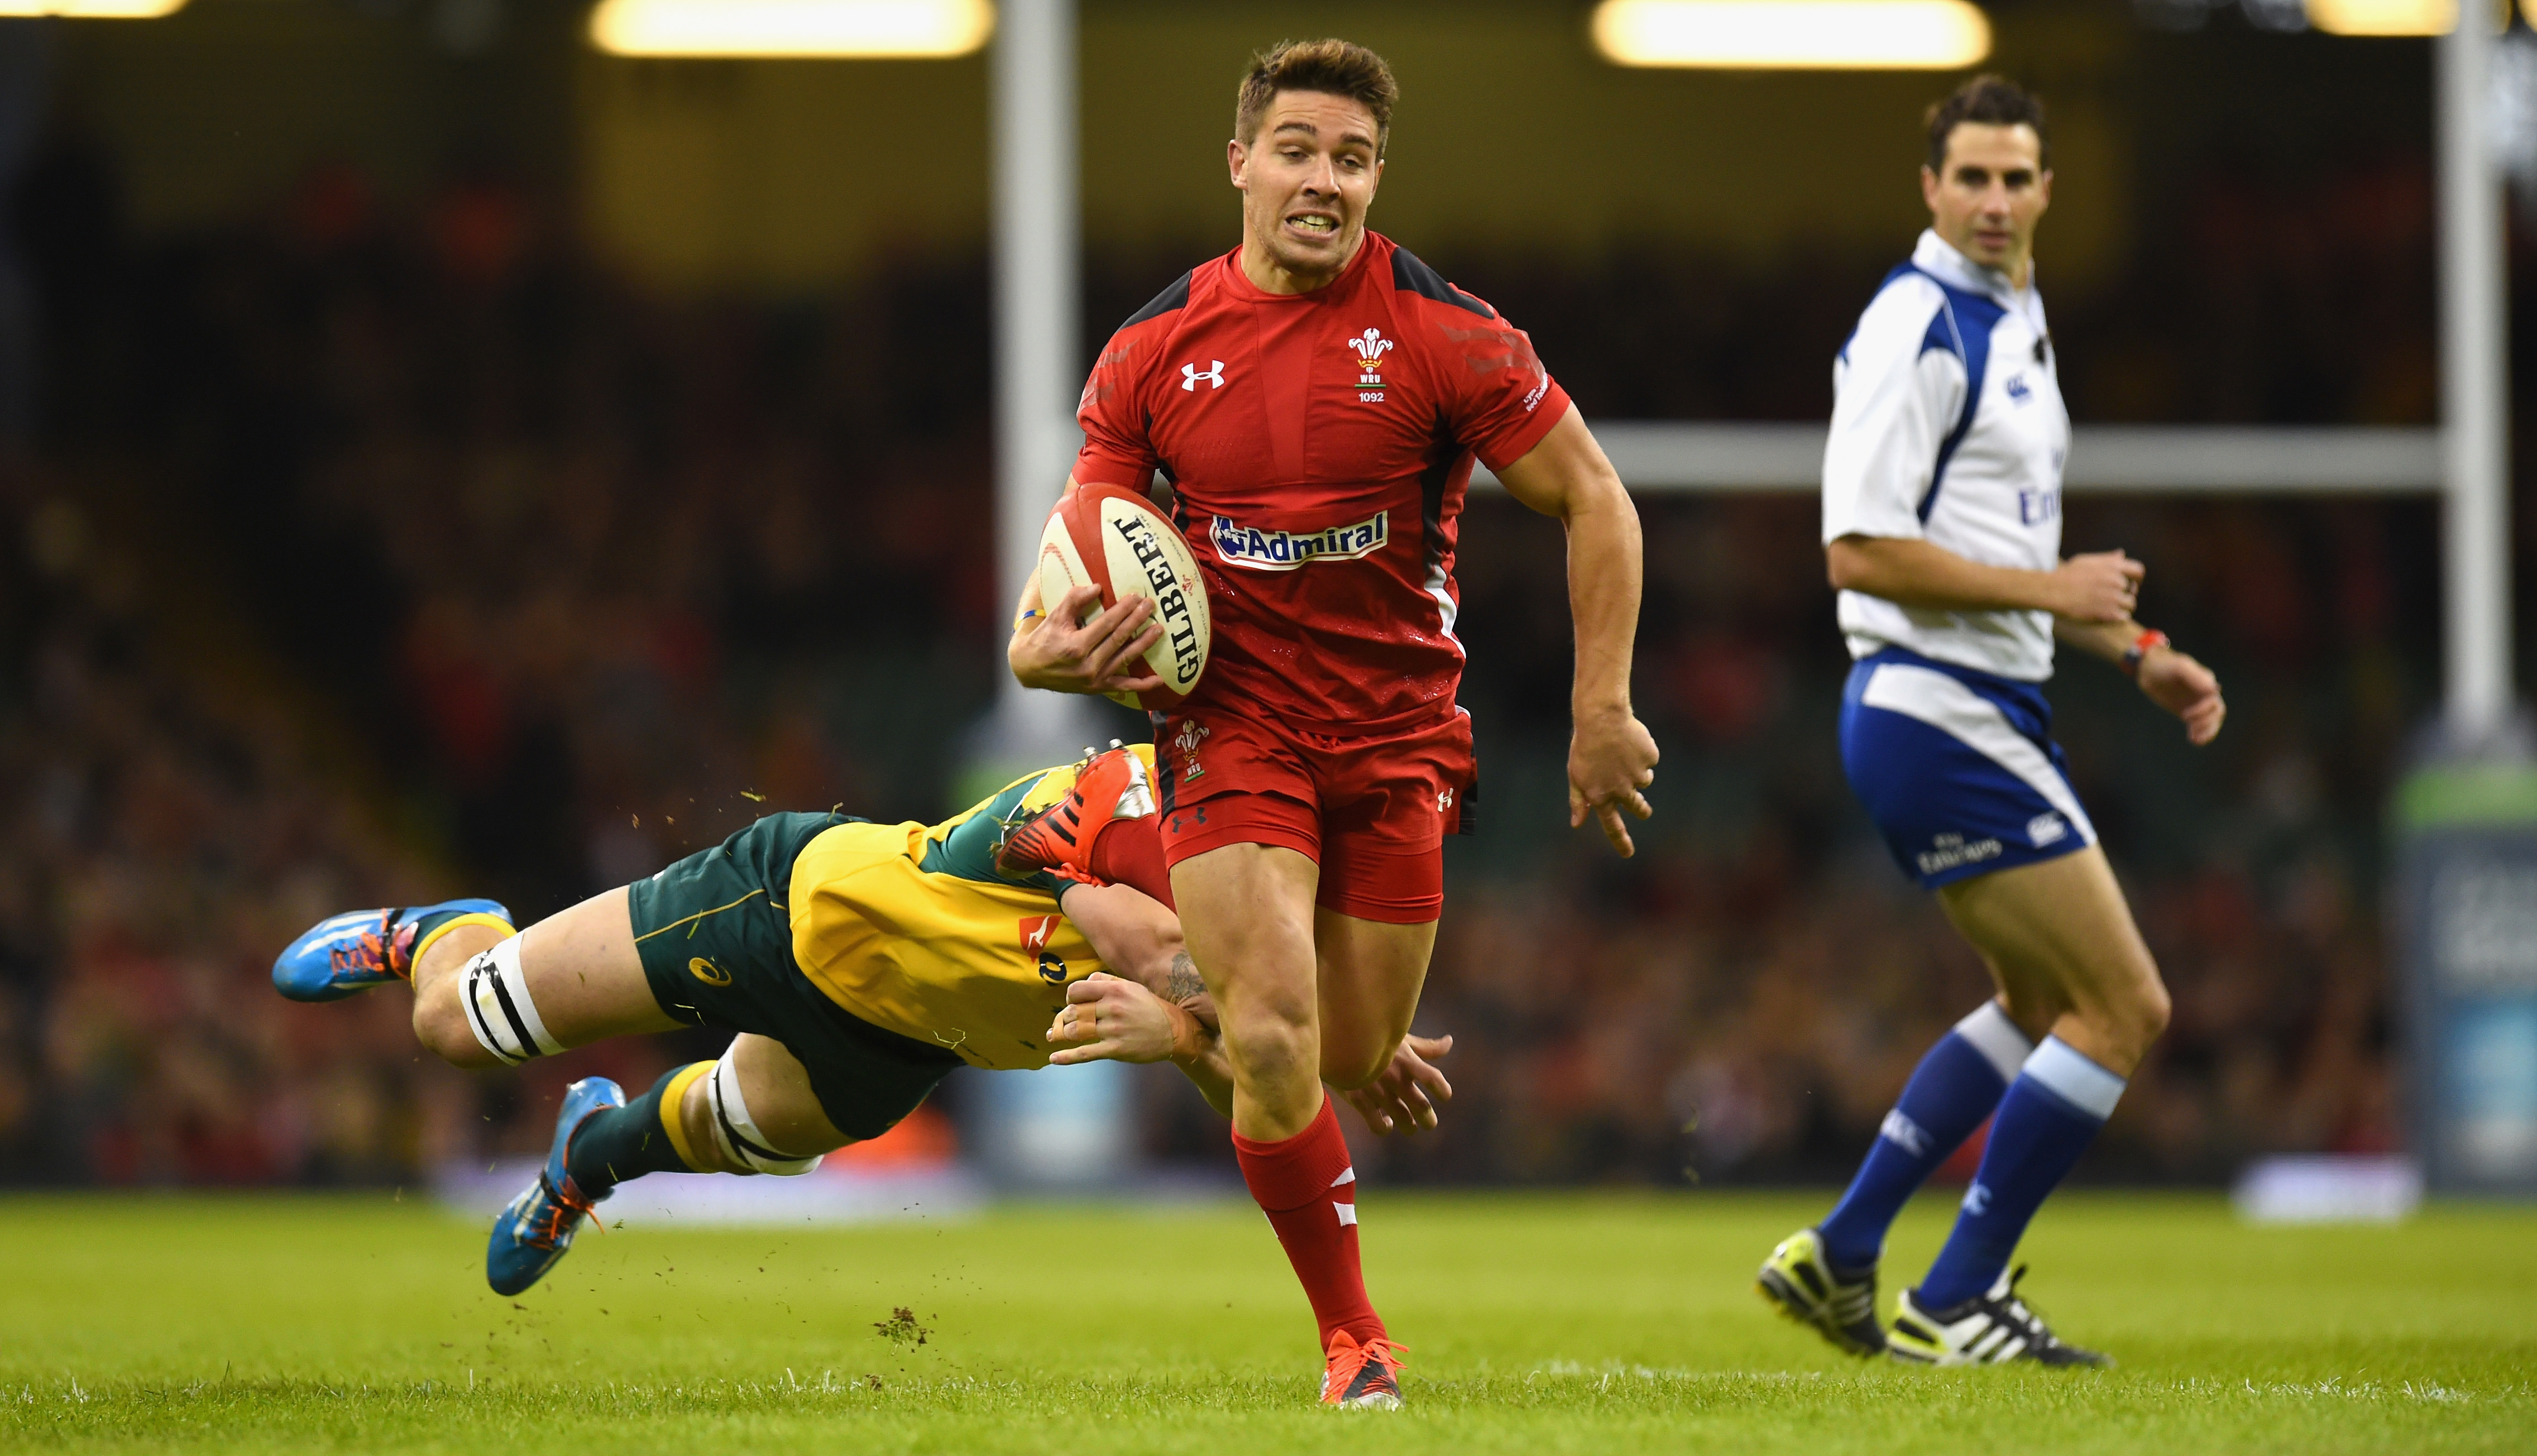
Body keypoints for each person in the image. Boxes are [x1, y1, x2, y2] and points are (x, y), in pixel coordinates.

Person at [1006, 38, 1658, 1409]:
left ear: (1376, 179)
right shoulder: (1148, 351)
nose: (1323, 179)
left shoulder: (1444, 331)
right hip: (1228, 726)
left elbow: (1596, 496)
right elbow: (1066, 577)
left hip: (1399, 738)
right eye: (1296, 149)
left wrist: (1601, 706)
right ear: (1240, 161)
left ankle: (1200, 1028)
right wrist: (1065, 656)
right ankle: (1354, 1340)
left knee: (1347, 1057)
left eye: (1351, 158)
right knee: (1278, 1028)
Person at [271, 745, 1453, 1301]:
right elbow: (1148, 944)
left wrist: (1241, 1035)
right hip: (782, 911)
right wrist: (1302, 1026)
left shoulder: (1264, 892)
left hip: (898, 1041)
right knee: (461, 1026)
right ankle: (440, 930)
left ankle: (585, 1159)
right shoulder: (1126, 796)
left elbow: (1232, 1062)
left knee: (741, 1134)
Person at [1755, 76, 2225, 1368]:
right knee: (2125, 1005)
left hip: (1971, 703)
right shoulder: (1918, 325)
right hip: (1933, 707)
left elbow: (1991, 547)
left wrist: (2135, 650)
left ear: (2046, 192)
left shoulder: (2012, 318)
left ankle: (1845, 1248)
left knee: (2033, 996)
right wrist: (2052, 590)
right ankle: (1958, 1291)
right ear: (1929, 187)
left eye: (2017, 179)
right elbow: (1856, 550)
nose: (1995, 201)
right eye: (1972, 177)